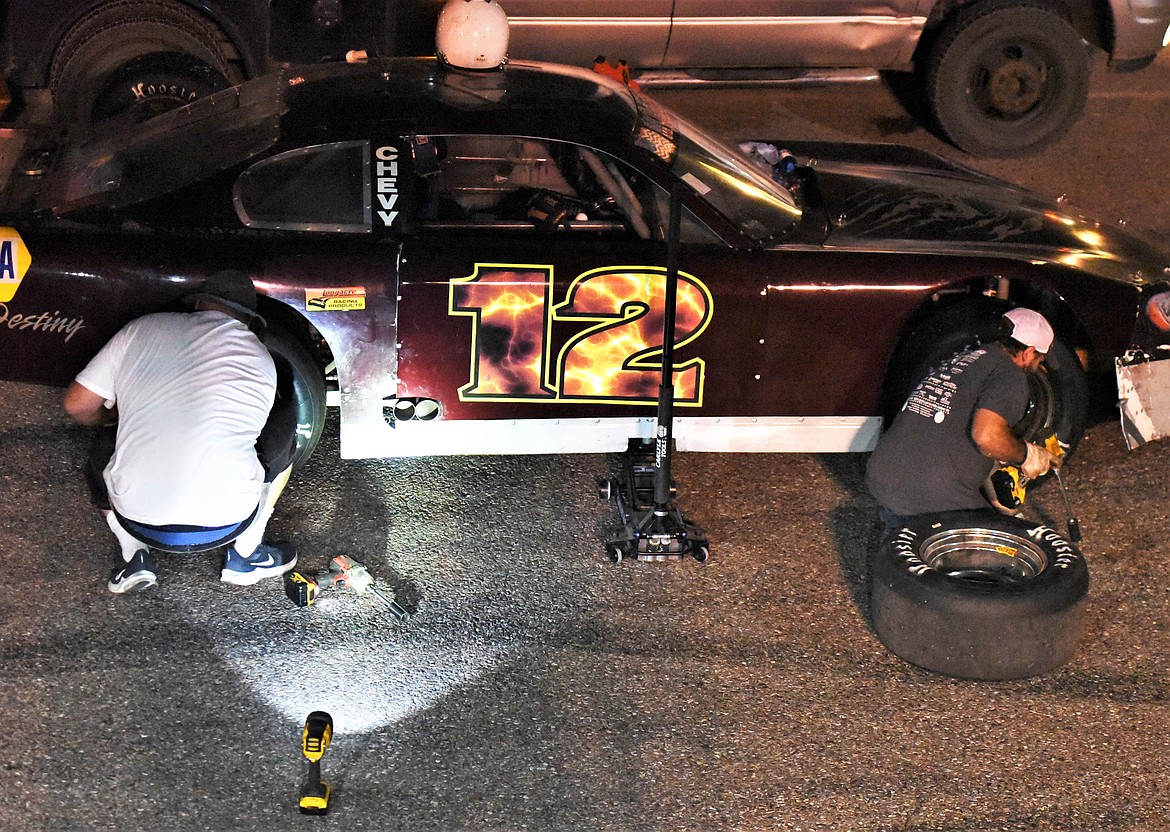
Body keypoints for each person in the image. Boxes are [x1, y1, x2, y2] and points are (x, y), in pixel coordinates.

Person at [63, 270, 298, 593]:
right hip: (229, 518)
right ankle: (245, 555)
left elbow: (77, 405)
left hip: (135, 514)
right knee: (285, 428)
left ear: (199, 303)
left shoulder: (141, 329)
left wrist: (110, 423)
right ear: (247, 319)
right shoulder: (260, 356)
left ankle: (134, 557)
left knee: (104, 446)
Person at [866, 307, 1062, 535]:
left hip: (883, 475)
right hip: (925, 491)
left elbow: (960, 433)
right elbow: (986, 437)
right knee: (1001, 548)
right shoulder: (1011, 374)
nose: (1037, 366)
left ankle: (902, 539)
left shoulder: (962, 361)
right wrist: (1027, 456)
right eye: (1040, 359)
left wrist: (998, 496)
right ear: (1028, 353)